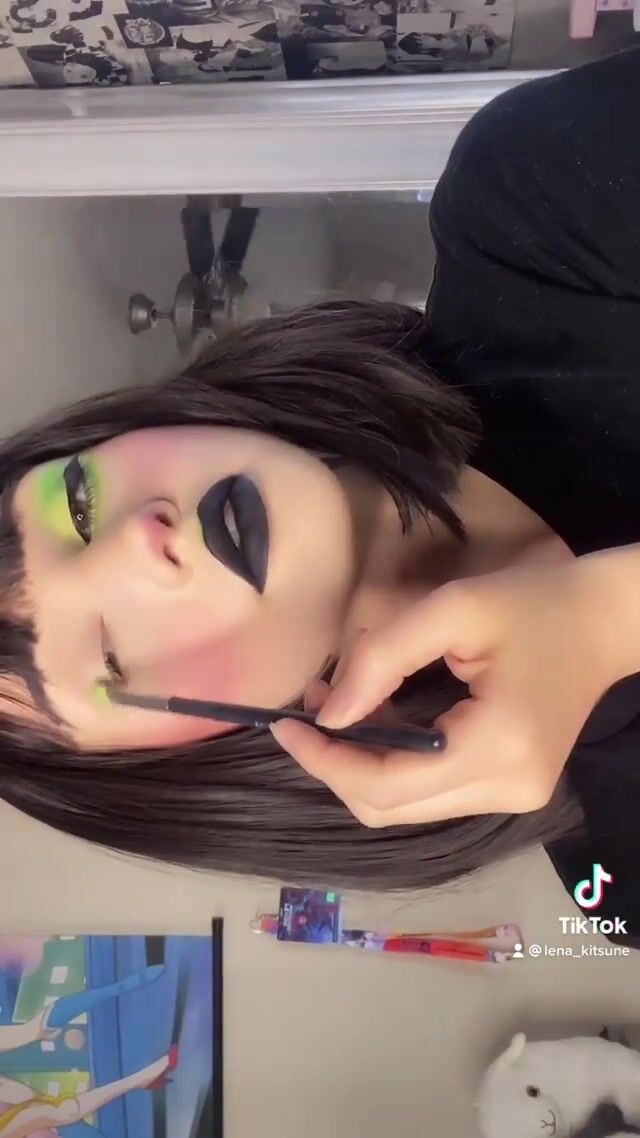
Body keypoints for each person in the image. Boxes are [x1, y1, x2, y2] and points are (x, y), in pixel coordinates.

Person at [1, 49, 640, 943]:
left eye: (77, 506)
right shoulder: (620, 877)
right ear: (216, 753)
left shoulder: (529, 201)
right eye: (111, 654)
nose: (141, 539)